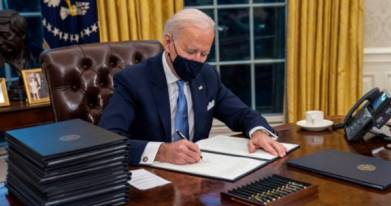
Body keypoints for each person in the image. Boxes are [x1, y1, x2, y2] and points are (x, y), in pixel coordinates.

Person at [99, 8, 287, 166]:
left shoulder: (207, 76)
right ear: (168, 42)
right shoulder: (133, 80)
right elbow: (109, 141)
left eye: (204, 53)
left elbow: (241, 113)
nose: (197, 60)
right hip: (150, 177)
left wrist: (259, 132)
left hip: (196, 173)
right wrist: (161, 152)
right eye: (190, 51)